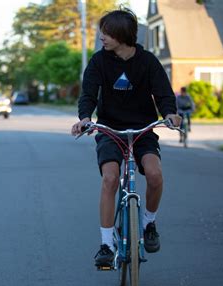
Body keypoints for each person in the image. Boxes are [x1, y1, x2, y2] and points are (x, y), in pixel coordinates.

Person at [71, 8, 181, 268]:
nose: (102, 37)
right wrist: (85, 118)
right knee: (110, 178)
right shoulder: (99, 61)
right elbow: (88, 94)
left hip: (143, 130)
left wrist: (170, 114)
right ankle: (106, 244)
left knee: (154, 175)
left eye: (107, 33)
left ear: (122, 35)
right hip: (111, 130)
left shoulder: (148, 62)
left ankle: (148, 223)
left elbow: (164, 94)